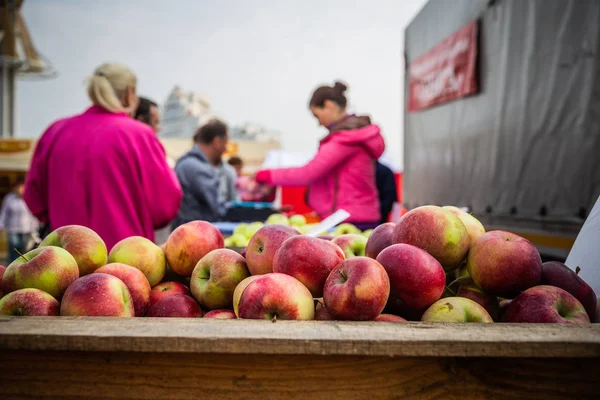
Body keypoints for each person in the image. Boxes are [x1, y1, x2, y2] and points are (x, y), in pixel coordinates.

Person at [24, 63, 182, 250]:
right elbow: (164, 205)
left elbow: (34, 196)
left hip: (65, 258)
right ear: (129, 93)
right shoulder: (139, 135)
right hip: (126, 259)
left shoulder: (56, 131)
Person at [255, 82, 385, 228]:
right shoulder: (354, 136)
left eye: (317, 115)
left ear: (329, 106)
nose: (318, 123)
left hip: (348, 220)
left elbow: (308, 173)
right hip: (359, 216)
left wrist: (266, 175)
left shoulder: (345, 140)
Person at [172, 119, 230, 228]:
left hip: (184, 230)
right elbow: (218, 209)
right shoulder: (199, 169)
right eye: (225, 143)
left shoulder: (186, 162)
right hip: (195, 234)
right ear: (217, 142)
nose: (225, 148)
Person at [0, 179, 39, 263]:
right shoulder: (9, 198)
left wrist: (35, 227)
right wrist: (1, 225)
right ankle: (12, 265)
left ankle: (22, 266)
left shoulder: (29, 198)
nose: (20, 189)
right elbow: (4, 213)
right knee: (14, 248)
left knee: (24, 249)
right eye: (18, 187)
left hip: (26, 228)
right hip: (13, 228)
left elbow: (32, 214)